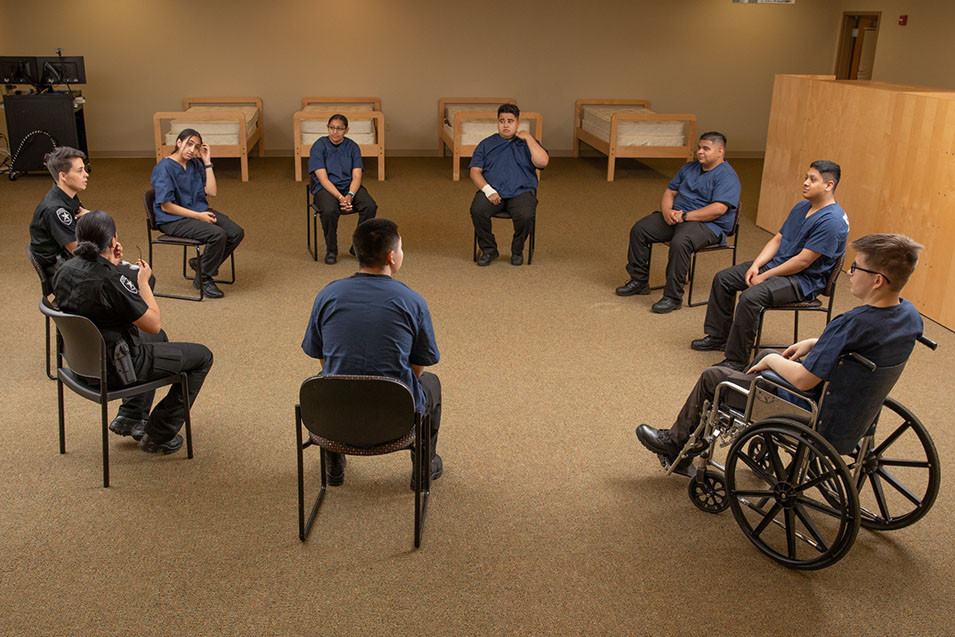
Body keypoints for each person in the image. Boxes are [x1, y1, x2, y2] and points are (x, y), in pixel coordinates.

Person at [635, 233, 924, 472]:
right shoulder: (909, 315)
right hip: (852, 403)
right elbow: (861, 345)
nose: (849, 272)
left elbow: (803, 381)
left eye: (857, 267)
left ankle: (675, 443)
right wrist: (814, 342)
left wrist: (773, 360)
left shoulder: (850, 323)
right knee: (767, 357)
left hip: (811, 407)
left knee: (715, 376)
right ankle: (747, 383)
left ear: (877, 280)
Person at [52, 211, 214, 454]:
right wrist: (142, 282)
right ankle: (158, 434)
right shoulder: (110, 280)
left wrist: (111, 262)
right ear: (112, 242)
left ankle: (131, 415)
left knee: (158, 340)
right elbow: (153, 322)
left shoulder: (64, 270)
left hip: (80, 363)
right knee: (202, 357)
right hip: (115, 368)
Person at [302, 218, 442, 488]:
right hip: (394, 419)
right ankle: (423, 468)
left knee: (328, 379)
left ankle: (333, 467)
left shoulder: (327, 295)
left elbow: (321, 356)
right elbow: (418, 365)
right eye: (400, 249)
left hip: (335, 417)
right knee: (431, 384)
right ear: (391, 257)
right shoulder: (412, 301)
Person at [690, 161, 849, 371]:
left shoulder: (832, 221)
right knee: (724, 278)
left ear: (829, 185)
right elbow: (778, 239)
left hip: (802, 281)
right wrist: (756, 266)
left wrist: (765, 276)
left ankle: (736, 360)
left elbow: (803, 261)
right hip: (778, 266)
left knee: (750, 297)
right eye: (805, 177)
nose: (805, 183)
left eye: (812, 179)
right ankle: (718, 336)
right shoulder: (802, 207)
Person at [615, 132, 742, 313]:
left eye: (706, 148)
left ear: (720, 152)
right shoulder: (689, 168)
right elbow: (670, 192)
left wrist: (685, 216)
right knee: (640, 229)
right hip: (677, 217)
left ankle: (672, 297)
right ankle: (639, 281)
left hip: (709, 225)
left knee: (680, 242)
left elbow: (718, 209)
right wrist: (667, 212)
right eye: (699, 147)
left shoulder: (727, 176)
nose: (700, 152)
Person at [150, 129, 244, 298]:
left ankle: (201, 265)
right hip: (173, 219)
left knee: (236, 233)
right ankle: (204, 277)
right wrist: (199, 216)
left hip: (197, 212)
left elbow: (212, 191)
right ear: (178, 143)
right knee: (217, 235)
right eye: (189, 144)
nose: (192, 150)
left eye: (197, 147)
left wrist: (207, 162)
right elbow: (166, 207)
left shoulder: (195, 164)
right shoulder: (164, 168)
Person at [469, 103, 549, 266]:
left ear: (517, 123)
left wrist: (529, 138)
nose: (506, 124)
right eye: (502, 120)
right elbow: (475, 171)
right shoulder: (486, 144)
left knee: (526, 215)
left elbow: (543, 162)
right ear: (497, 122)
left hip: (521, 192)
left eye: (510, 121)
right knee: (477, 210)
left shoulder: (528, 143)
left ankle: (517, 250)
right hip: (493, 192)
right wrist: (488, 190)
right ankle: (489, 249)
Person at [308, 113, 378, 264]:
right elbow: (323, 178)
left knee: (370, 206)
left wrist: (350, 195)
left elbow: (357, 176)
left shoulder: (352, 147)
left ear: (346, 130)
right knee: (329, 211)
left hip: (349, 187)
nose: (335, 132)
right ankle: (331, 250)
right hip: (325, 189)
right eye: (332, 128)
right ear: (328, 128)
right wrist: (341, 197)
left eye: (339, 129)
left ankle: (357, 246)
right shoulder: (319, 146)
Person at [29, 146, 91, 279]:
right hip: (62, 270)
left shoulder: (68, 195)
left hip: (70, 260)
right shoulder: (56, 210)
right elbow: (77, 250)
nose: (86, 174)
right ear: (63, 176)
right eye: (80, 171)